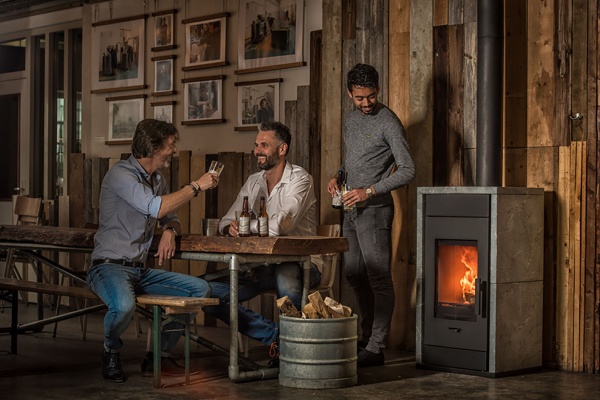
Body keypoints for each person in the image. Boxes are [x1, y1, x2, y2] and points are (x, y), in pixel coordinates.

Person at [87, 119, 220, 383]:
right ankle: (110, 350)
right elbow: (156, 207)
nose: (174, 150)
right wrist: (197, 186)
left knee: (199, 290)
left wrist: (170, 230)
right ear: (153, 146)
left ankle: (157, 355)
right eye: (171, 145)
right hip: (108, 266)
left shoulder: (157, 179)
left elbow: (168, 215)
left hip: (140, 271)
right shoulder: (120, 175)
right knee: (124, 305)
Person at [204, 121, 322, 365]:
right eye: (256, 145)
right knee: (205, 294)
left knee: (286, 274)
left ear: (282, 149)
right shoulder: (254, 181)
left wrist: (245, 227)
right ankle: (277, 336)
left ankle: (290, 355)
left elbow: (282, 226)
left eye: (264, 145)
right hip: (261, 265)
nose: (257, 150)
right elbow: (227, 219)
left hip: (303, 264)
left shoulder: (300, 179)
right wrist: (230, 227)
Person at [327, 63, 415, 368]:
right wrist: (338, 175)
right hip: (350, 209)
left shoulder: (389, 122)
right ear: (350, 93)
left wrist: (370, 191)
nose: (366, 103)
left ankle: (376, 348)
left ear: (378, 89)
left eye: (372, 96)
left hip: (375, 212)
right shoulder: (352, 119)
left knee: (379, 279)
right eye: (360, 98)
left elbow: (408, 170)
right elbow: (353, 159)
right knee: (353, 274)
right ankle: (365, 339)